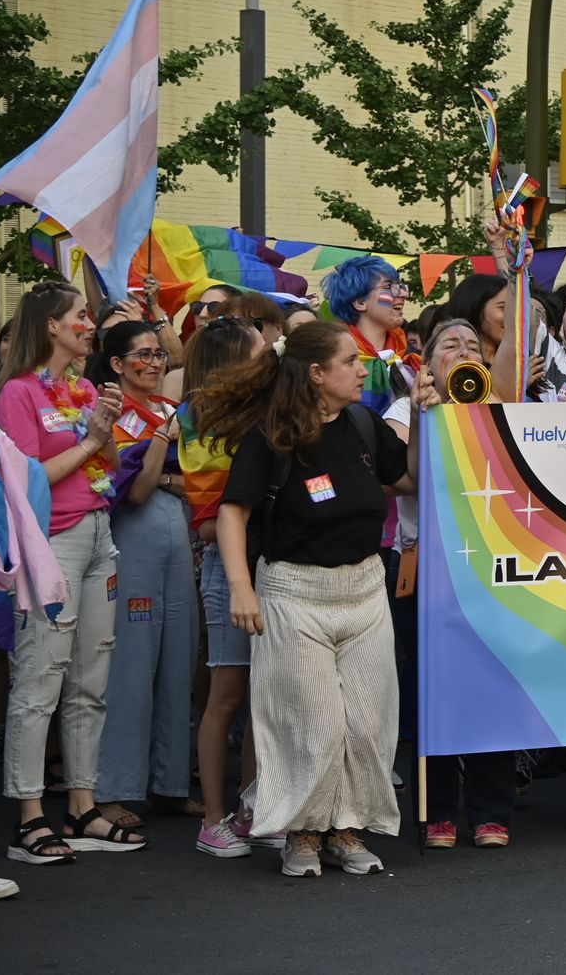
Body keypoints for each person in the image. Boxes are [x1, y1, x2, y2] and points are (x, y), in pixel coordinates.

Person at [196, 320, 423, 877]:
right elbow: (232, 513)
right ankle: (304, 833)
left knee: (367, 724)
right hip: (295, 594)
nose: (360, 368)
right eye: (349, 360)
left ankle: (345, 831)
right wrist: (241, 587)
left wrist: (422, 412)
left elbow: (412, 479)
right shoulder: (268, 437)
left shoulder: (366, 426)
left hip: (365, 590)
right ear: (317, 374)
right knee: (314, 725)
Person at [0, 281, 145, 863]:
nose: (90, 324)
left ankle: (83, 806)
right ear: (52, 326)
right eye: (81, 317)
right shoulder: (16, 392)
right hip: (50, 542)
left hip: (97, 534)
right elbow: (29, 478)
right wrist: (92, 441)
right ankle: (30, 815)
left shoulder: (82, 389)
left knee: (90, 678)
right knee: (41, 679)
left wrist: (104, 434)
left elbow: (103, 467)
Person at [391, 319, 519, 850]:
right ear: (427, 360)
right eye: (451, 345)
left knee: (495, 685)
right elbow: (408, 479)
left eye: (473, 346)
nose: (464, 351)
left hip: (489, 568)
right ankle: (437, 808)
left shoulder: (497, 411)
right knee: (431, 688)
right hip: (428, 570)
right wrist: (424, 416)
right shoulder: (403, 411)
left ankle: (491, 808)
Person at [83, 322, 200, 829]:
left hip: (178, 542)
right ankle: (114, 787)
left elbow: (193, 481)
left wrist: (169, 474)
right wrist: (161, 448)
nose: (155, 363)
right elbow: (134, 491)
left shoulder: (171, 410)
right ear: (116, 364)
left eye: (158, 354)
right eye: (143, 355)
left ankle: (169, 783)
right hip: (133, 545)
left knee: (178, 660)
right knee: (130, 666)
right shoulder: (113, 415)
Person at [180, 318, 274, 857]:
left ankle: (254, 807)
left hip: (277, 562)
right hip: (228, 563)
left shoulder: (267, 410)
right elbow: (212, 515)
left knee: (266, 696)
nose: (268, 358)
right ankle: (213, 818)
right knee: (227, 695)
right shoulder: (194, 416)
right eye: (260, 350)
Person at [321, 255, 420, 416]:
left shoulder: (413, 361)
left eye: (400, 286)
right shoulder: (331, 359)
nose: (403, 294)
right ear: (360, 302)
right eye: (388, 287)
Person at [446, 274, 510, 365]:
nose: (512, 316)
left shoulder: (519, 363)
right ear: (476, 307)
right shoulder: (454, 364)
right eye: (503, 307)